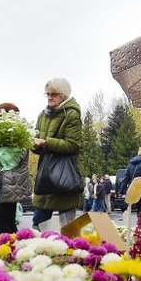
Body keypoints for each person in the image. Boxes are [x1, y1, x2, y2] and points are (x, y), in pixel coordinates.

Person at [31, 78, 82, 229]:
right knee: (37, 224)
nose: (49, 97)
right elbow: (38, 144)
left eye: (54, 94)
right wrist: (33, 144)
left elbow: (73, 145)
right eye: (47, 94)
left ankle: (70, 244)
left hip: (65, 176)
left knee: (68, 228)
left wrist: (46, 142)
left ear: (64, 95)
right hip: (45, 176)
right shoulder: (42, 115)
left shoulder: (71, 114)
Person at [0, 102, 31, 235]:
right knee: (8, 219)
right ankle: (16, 244)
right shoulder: (19, 134)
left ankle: (14, 243)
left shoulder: (13, 136)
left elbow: (6, 157)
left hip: (11, 180)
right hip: (14, 180)